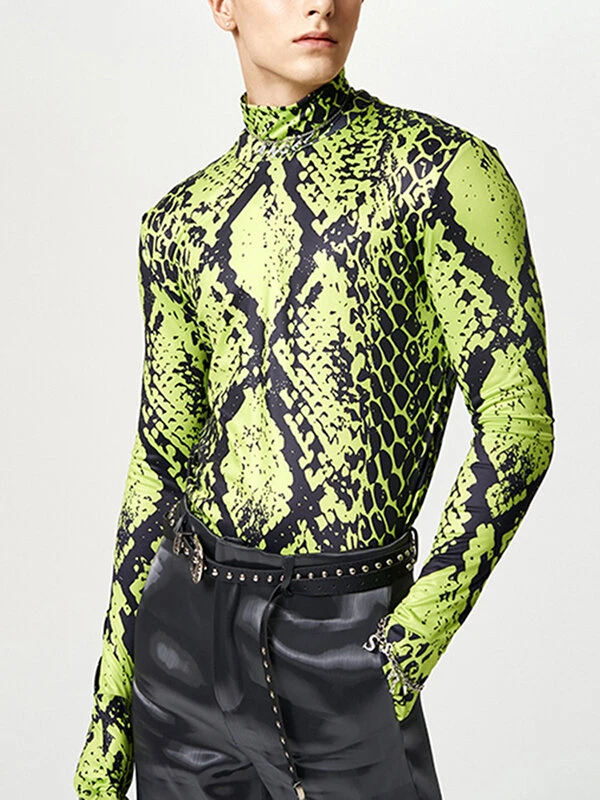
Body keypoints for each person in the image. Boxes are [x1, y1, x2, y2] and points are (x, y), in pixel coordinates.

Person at [73, 1, 555, 798]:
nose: (322, 3)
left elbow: (517, 425)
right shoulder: (177, 223)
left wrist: (404, 647)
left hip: (341, 632)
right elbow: (160, 460)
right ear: (222, 5)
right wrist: (108, 715)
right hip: (181, 640)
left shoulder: (440, 171)